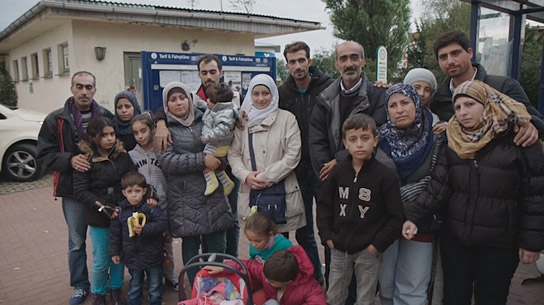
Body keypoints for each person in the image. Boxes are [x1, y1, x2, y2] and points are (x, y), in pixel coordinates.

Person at [402, 80, 544, 305]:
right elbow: (439, 186)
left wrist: (532, 242)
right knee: (455, 297)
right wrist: (414, 216)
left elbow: (535, 196)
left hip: (500, 242)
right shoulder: (453, 140)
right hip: (457, 240)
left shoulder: (519, 139)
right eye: (457, 107)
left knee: (491, 298)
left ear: (487, 104)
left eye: (470, 105)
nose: (463, 112)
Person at [37, 71, 113, 305]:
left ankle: (108, 280)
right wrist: (69, 160)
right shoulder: (56, 119)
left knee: (108, 238)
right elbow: (44, 154)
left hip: (103, 191)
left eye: (89, 87)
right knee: (77, 241)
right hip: (73, 191)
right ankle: (80, 284)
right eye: (79, 86)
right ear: (72, 89)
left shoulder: (106, 116)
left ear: (95, 90)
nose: (84, 91)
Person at [155, 54, 241, 257]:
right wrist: (160, 122)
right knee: (196, 240)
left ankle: (230, 265)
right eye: (204, 72)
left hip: (224, 170)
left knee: (229, 223)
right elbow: (169, 105)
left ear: (221, 73)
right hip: (191, 187)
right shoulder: (197, 101)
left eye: (213, 71)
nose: (209, 76)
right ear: (199, 75)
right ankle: (202, 281)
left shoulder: (234, 97)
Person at [316, 113, 403, 305]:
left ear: (375, 140)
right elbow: (324, 206)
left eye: (365, 138)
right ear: (345, 143)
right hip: (338, 247)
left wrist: (376, 245)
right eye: (353, 139)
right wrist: (327, 236)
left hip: (369, 249)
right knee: (334, 295)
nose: (360, 144)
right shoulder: (337, 173)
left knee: (365, 297)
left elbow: (396, 217)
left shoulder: (385, 176)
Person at [157, 81, 235, 285]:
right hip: (184, 198)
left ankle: (218, 288)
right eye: (172, 100)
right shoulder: (164, 129)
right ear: (166, 104)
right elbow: (167, 161)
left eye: (182, 97)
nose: (179, 103)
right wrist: (202, 160)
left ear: (190, 99)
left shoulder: (206, 118)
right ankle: (198, 290)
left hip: (213, 193)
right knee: (191, 249)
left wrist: (219, 161)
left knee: (219, 244)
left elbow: (223, 144)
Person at [376, 84, 445, 305]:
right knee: (385, 285)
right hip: (385, 224)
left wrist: (400, 205)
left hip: (421, 221)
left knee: (412, 288)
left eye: (405, 103)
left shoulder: (436, 137)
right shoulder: (378, 140)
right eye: (393, 105)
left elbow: (437, 181)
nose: (399, 110)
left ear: (416, 103)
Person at [278, 41, 333, 283]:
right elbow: (255, 108)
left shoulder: (330, 87)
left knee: (330, 229)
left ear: (309, 61)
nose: (298, 66)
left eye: (302, 60)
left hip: (324, 170)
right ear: (287, 64)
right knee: (303, 231)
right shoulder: (282, 93)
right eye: (292, 61)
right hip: (296, 171)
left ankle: (334, 278)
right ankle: (315, 277)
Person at [431, 30, 544, 146]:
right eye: (443, 57)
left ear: (470, 53)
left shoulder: (503, 86)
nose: (450, 61)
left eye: (455, 53)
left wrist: (531, 124)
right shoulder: (439, 99)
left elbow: (538, 120)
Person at [227, 74, 306, 235]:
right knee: (255, 242)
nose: (261, 98)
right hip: (251, 193)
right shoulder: (241, 122)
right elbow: (234, 154)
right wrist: (246, 176)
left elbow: (293, 155)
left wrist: (266, 177)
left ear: (273, 94)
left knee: (280, 247)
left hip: (281, 194)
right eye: (256, 94)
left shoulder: (287, 119)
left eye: (265, 93)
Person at [72, 117, 135, 305]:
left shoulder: (122, 156)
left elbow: (132, 178)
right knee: (101, 259)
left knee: (119, 255)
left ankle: (115, 289)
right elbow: (80, 191)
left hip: (121, 215)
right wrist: (102, 205)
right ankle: (98, 292)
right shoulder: (86, 159)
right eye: (104, 135)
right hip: (99, 218)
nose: (110, 139)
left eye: (112, 134)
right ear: (93, 137)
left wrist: (129, 200)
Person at [128, 113, 178, 291]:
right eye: (136, 133)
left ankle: (169, 276)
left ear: (152, 130)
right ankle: (150, 279)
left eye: (143, 131)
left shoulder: (162, 149)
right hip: (142, 208)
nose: (140, 136)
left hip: (163, 205)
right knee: (145, 244)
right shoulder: (132, 155)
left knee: (166, 243)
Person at [109, 172, 167, 305]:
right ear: (124, 193)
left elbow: (162, 224)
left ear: (144, 191)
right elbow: (115, 234)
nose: (134, 195)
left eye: (137, 191)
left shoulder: (151, 207)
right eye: (130, 191)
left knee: (155, 285)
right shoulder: (121, 211)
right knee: (135, 286)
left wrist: (145, 229)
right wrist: (114, 252)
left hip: (153, 255)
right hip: (132, 257)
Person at [204, 245, 326, 305]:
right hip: (271, 298)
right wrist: (223, 267)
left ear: (288, 281)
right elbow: (247, 265)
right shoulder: (268, 270)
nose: (267, 281)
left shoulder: (310, 287)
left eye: (272, 281)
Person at [201, 82, 238, 196]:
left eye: (209, 99)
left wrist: (206, 137)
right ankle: (226, 183)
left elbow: (222, 130)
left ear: (217, 103)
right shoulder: (219, 110)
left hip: (219, 144)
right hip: (217, 143)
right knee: (217, 167)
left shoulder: (224, 114)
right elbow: (209, 111)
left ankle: (211, 182)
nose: (207, 101)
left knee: (205, 161)